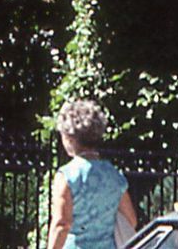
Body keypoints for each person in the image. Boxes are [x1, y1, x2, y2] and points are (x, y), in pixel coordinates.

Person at [48, 98, 138, 249]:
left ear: (70, 138)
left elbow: (61, 224)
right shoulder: (114, 175)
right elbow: (131, 220)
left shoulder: (67, 176)